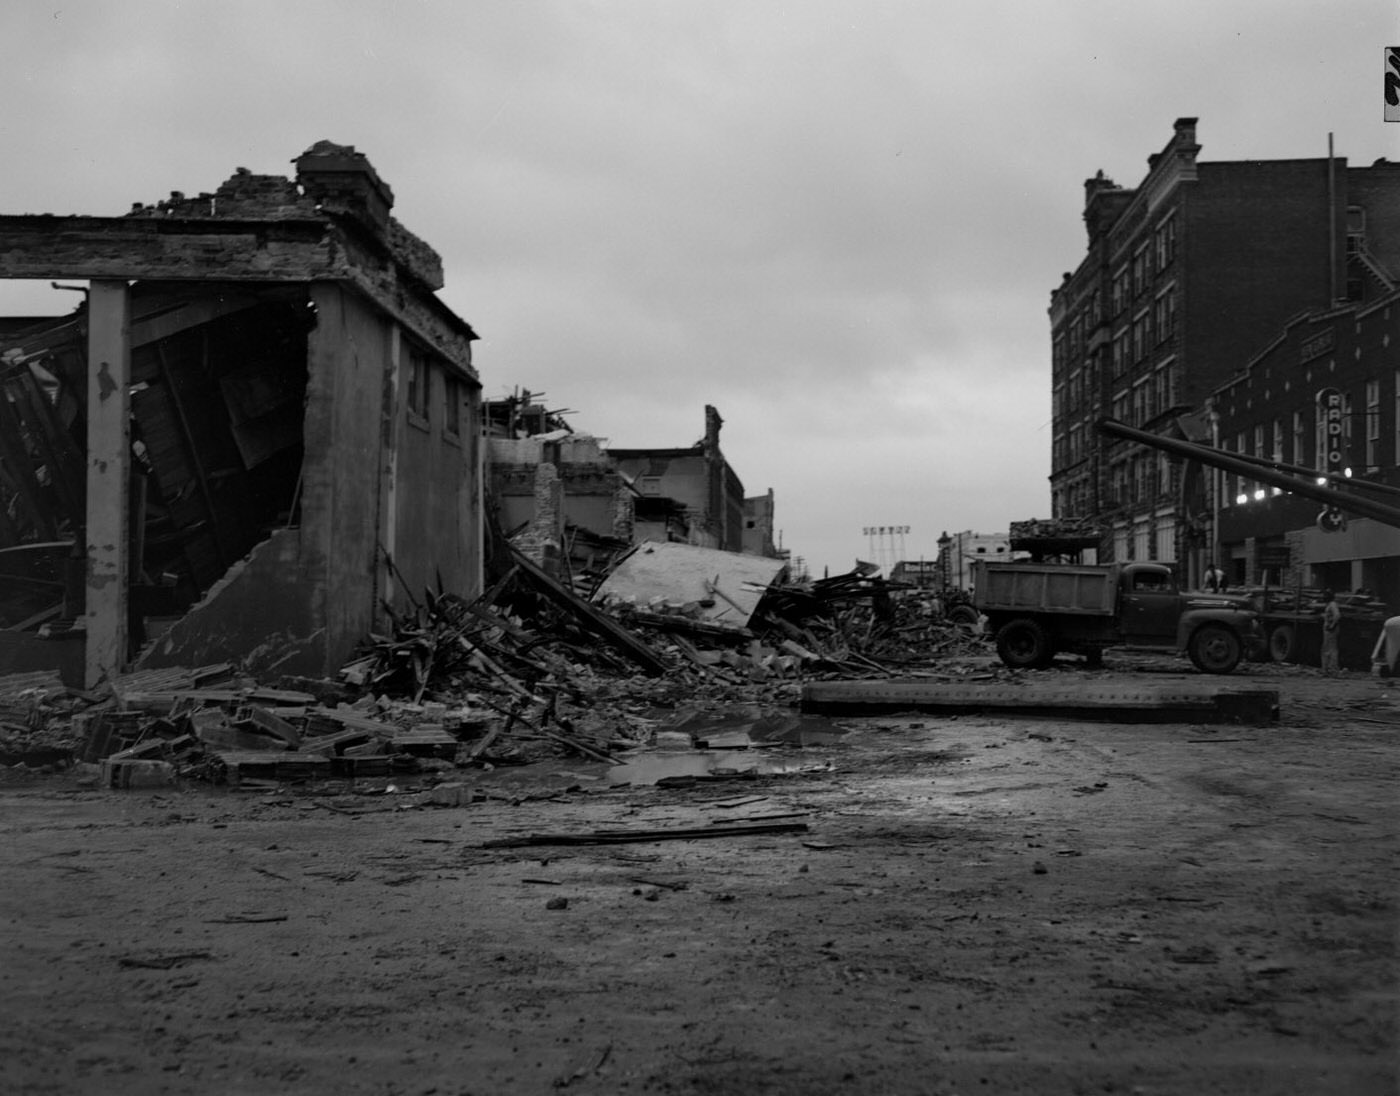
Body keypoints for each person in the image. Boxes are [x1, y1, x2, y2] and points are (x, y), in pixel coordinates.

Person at [1321, 589, 1342, 675]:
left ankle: (1332, 669)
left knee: (1331, 649)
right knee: (1327, 649)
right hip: (1329, 629)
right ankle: (1328, 669)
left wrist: (1332, 625)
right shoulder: (1330, 604)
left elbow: (1337, 615)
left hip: (1331, 630)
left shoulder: (1332, 604)